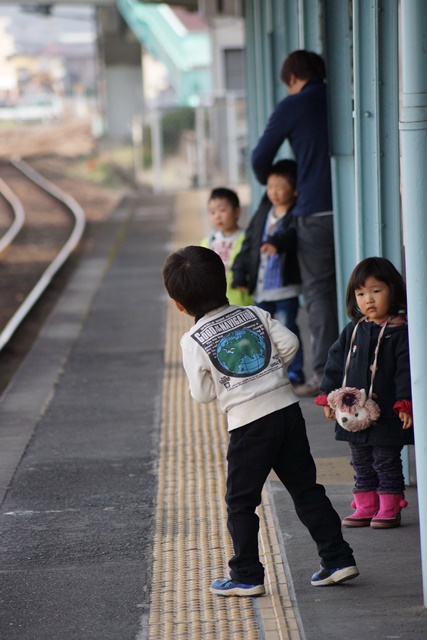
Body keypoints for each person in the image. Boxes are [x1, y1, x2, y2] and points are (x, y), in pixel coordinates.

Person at [162, 245, 359, 596]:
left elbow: (202, 395)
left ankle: (246, 576)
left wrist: (230, 383)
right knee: (306, 489)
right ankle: (338, 559)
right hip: (286, 411)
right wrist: (269, 373)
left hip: (248, 427)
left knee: (241, 502)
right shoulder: (253, 313)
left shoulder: (192, 340)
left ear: (179, 304)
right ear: (223, 282)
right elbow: (291, 342)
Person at [251, 49, 337, 397]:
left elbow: (260, 159)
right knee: (364, 284)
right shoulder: (339, 96)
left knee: (319, 293)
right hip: (361, 206)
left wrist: (282, 178)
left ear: (291, 79)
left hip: (313, 210)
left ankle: (327, 375)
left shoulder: (293, 104)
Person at [315, 257, 414, 529]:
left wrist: (405, 402)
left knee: (385, 459)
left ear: (393, 290)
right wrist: (328, 395)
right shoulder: (355, 329)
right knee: (359, 460)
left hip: (388, 413)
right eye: (361, 293)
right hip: (353, 412)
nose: (368, 299)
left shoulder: (400, 331)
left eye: (376, 291)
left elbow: (405, 370)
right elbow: (335, 362)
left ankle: (390, 506)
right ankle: (366, 505)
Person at [231, 159, 304, 386]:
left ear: (294, 190)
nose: (273, 192)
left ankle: (295, 371)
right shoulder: (264, 211)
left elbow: (293, 235)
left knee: (288, 330)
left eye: (279, 187)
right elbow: (249, 242)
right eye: (270, 186)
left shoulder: (297, 214)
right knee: (260, 333)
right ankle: (268, 371)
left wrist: (276, 242)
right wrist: (240, 273)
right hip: (261, 288)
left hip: (284, 289)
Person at [201, 187, 253, 306]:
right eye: (212, 212)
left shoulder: (247, 238)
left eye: (222, 210)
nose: (217, 216)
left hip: (242, 300)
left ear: (237, 212)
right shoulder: (208, 241)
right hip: (215, 301)